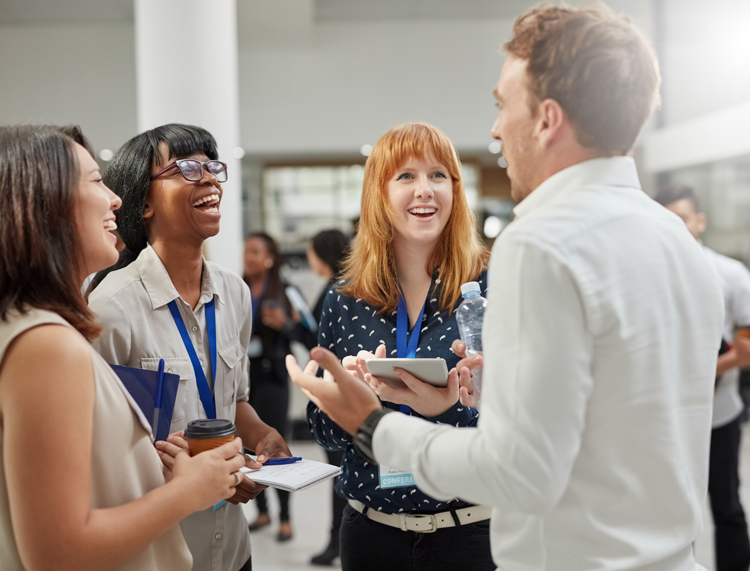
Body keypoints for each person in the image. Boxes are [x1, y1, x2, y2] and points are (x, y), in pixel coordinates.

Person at [286, 4, 726, 571]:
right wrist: (466, 397)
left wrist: (375, 425)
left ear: (545, 119)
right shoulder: (677, 241)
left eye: (502, 106)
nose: (495, 129)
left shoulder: (540, 245)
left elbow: (522, 472)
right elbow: (605, 415)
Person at [0, 125, 247, 571]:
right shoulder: (46, 345)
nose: (115, 199)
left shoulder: (23, 327)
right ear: (41, 207)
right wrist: (189, 490)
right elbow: (58, 553)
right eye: (95, 182)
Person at [88, 123, 291, 571]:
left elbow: (232, 402)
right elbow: (99, 450)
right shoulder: (111, 309)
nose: (208, 178)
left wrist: (260, 436)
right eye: (186, 168)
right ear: (142, 202)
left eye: (212, 166)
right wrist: (203, 473)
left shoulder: (234, 294)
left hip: (234, 549)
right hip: (162, 552)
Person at [306, 122, 493, 571]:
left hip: (471, 532)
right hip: (371, 534)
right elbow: (323, 431)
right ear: (379, 192)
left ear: (455, 188)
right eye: (405, 176)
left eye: (438, 175)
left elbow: (522, 420)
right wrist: (351, 400)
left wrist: (447, 407)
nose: (424, 190)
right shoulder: (346, 298)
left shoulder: (492, 286)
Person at [656, 183, 750, 571]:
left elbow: (747, 348)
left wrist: (694, 375)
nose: (676, 228)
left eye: (683, 218)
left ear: (700, 221)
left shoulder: (730, 274)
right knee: (673, 515)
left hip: (718, 414)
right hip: (665, 421)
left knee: (725, 505)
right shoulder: (651, 274)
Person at [242, 232, 298, 542]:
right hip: (246, 378)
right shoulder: (235, 288)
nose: (248, 257)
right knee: (250, 446)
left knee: (276, 444)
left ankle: (286, 518)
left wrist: (285, 325)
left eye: (255, 251)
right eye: (245, 251)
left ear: (270, 257)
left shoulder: (286, 290)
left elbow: (307, 333)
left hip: (274, 378)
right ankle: (262, 511)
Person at [304, 229, 351, 567]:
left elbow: (322, 343)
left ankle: (338, 540)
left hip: (338, 393)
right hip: (330, 394)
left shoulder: (340, 290)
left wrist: (294, 327)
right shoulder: (336, 288)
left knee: (340, 471)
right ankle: (337, 539)